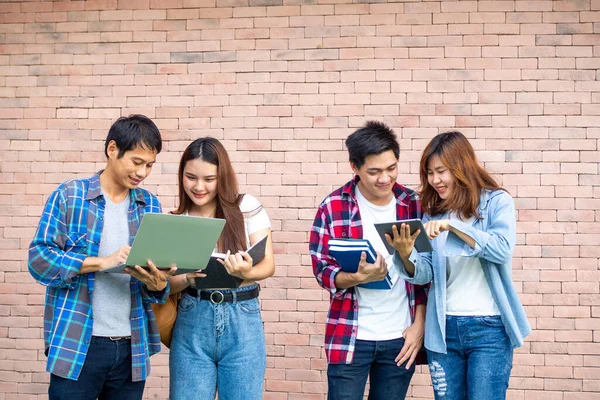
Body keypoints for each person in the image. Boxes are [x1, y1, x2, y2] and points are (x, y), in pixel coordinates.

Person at [28, 115, 176, 400]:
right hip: (78, 343)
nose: (143, 172)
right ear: (112, 149)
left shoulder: (149, 205)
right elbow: (39, 260)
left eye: (149, 165)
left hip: (132, 348)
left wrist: (158, 283)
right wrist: (102, 262)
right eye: (136, 162)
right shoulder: (70, 196)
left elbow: (155, 291)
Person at [389, 131, 531, 400]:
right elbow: (425, 273)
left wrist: (453, 227)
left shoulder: (497, 202)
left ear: (461, 166)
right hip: (443, 329)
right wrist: (406, 255)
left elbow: (500, 250)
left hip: (489, 329)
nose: (434, 180)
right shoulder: (433, 212)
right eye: (429, 173)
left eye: (441, 171)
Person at [309, 121, 429, 399]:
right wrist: (357, 278)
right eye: (374, 172)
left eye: (391, 168)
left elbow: (428, 273)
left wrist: (419, 327)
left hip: (400, 338)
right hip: (350, 336)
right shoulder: (333, 206)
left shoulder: (414, 204)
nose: (385, 179)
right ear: (355, 167)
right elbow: (322, 270)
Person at [167, 137, 275, 400]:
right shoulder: (175, 220)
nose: (199, 187)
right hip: (193, 318)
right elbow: (165, 284)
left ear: (222, 176)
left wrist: (245, 272)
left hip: (243, 318)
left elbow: (268, 264)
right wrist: (188, 278)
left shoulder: (246, 207)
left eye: (209, 179)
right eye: (191, 177)